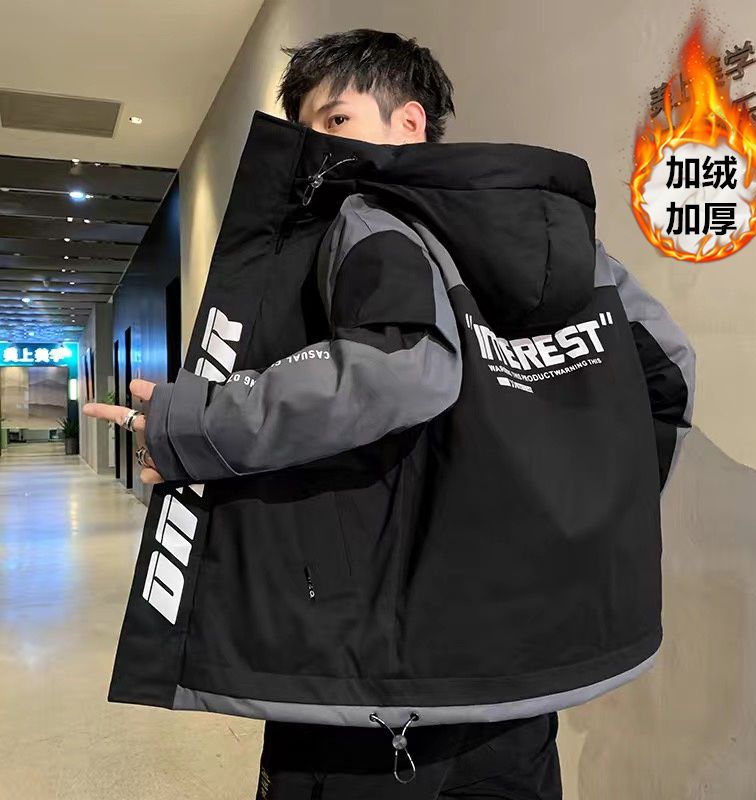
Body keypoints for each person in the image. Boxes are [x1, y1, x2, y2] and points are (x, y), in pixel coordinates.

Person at [84, 28, 695, 800]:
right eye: (307, 126)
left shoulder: (370, 215)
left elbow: (402, 370)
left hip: (377, 679)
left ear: (408, 122)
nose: (316, 144)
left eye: (335, 119)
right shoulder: (577, 246)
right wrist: (587, 518)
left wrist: (193, 423)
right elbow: (668, 375)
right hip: (521, 678)